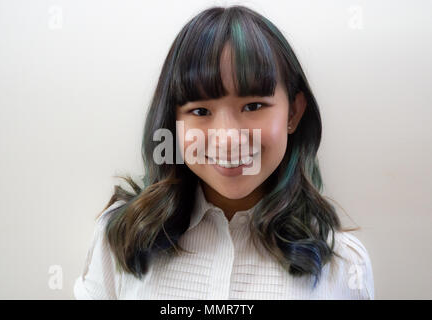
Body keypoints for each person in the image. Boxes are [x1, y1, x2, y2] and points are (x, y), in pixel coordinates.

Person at [73, 5, 375, 300]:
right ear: (173, 122)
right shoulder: (121, 236)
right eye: (201, 110)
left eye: (253, 106)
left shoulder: (344, 263)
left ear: (293, 113)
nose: (228, 138)